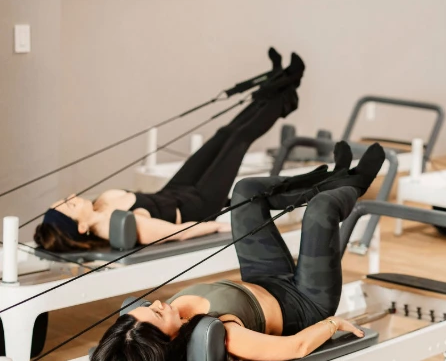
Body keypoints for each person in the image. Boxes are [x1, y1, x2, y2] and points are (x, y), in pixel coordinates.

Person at [90, 142, 385, 361]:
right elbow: (297, 346)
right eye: (155, 314)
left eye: (145, 308)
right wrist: (333, 323)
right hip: (307, 300)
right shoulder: (223, 334)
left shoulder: (175, 316)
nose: (155, 304)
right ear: (167, 339)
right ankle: (357, 182)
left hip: (263, 277)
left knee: (245, 193)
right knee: (320, 211)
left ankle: (331, 178)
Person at [34, 53, 306, 253]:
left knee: (223, 134)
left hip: (176, 190)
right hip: (199, 204)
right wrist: (219, 227)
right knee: (237, 140)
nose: (71, 197)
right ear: (81, 228)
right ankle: (286, 93)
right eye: (69, 205)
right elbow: (177, 233)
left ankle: (275, 86)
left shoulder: (103, 203)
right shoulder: (112, 225)